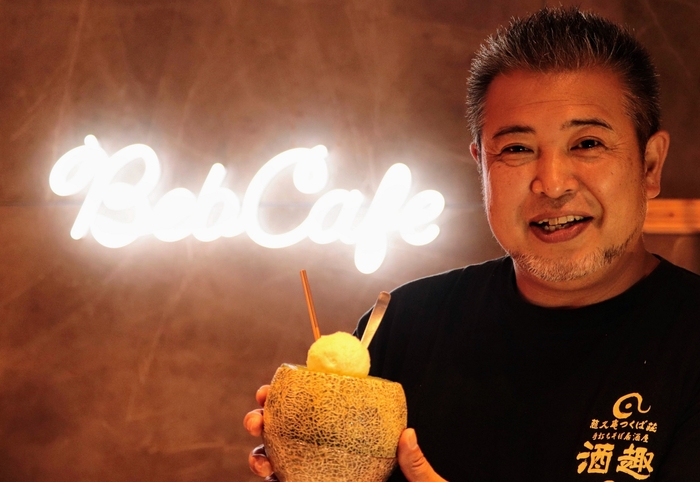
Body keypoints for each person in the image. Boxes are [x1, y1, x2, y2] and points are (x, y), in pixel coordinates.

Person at [244, 6, 700, 481]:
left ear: (650, 165)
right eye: (517, 149)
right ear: (481, 165)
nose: (552, 183)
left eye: (587, 144)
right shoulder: (404, 326)